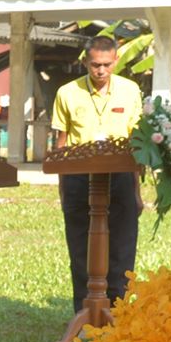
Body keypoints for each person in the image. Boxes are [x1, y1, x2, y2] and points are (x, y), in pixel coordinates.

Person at [52, 33, 143, 314]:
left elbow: (137, 144)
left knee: (122, 246)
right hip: (80, 177)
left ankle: (118, 311)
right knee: (80, 246)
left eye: (106, 64)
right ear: (84, 62)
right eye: (94, 65)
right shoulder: (67, 93)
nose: (100, 71)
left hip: (120, 177)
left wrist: (138, 192)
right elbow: (61, 143)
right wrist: (64, 188)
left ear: (116, 60)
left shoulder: (130, 91)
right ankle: (85, 311)